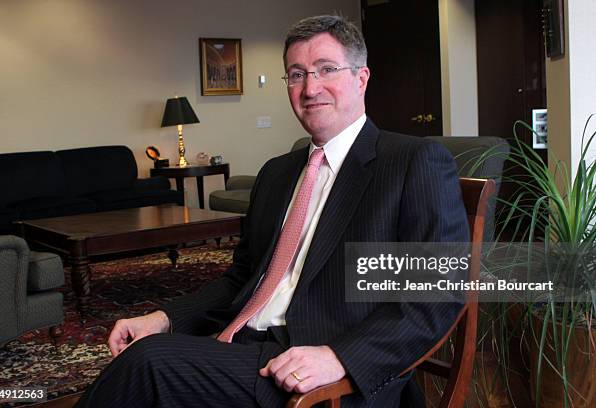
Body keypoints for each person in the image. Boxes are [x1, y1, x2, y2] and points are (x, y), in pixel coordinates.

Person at [77, 14, 468, 408]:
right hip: (242, 347)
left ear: (361, 78)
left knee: (149, 364)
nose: (310, 87)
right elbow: (240, 279)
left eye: (326, 69)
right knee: (145, 361)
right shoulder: (277, 173)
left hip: (322, 374)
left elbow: (436, 293)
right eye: (296, 75)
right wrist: (163, 318)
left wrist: (339, 357)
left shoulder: (412, 162)